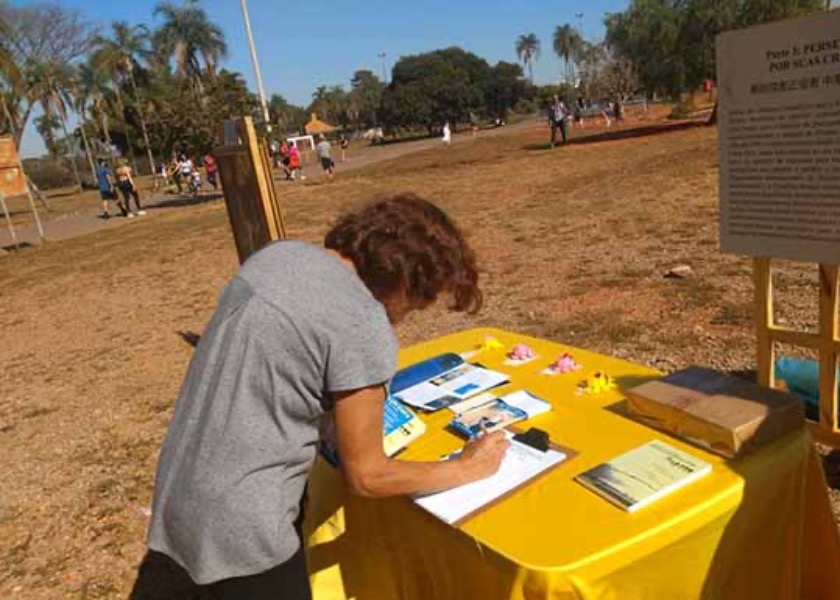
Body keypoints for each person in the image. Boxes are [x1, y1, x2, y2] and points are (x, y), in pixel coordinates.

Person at [132, 195, 508, 600]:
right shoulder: (362, 322)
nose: (411, 313)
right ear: (403, 279)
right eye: (421, 300)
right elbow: (366, 476)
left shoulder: (278, 256)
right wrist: (468, 468)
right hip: (245, 529)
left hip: (180, 491)